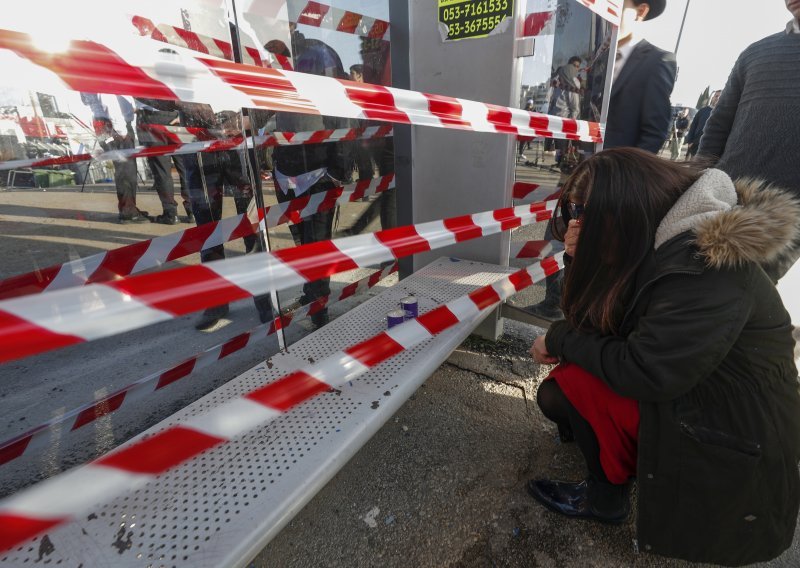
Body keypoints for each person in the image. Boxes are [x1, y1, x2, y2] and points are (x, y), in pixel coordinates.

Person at [527, 148, 800, 565]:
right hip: (702, 397)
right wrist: (577, 260)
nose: (576, 222)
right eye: (574, 211)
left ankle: (605, 499)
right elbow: (601, 321)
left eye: (586, 213)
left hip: (735, 440)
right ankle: (610, 452)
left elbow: (644, 371)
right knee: (566, 387)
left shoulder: (703, 265)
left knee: (573, 385)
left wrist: (561, 339)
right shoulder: (659, 235)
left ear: (624, 209)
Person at [697, 0, 800, 280]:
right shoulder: (756, 53)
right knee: (689, 282)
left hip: (787, 216)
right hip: (723, 194)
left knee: (744, 295)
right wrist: (697, 179)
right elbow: (719, 123)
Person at [272, 32, 355, 328]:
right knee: (302, 243)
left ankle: (319, 310)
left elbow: (341, 110)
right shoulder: (274, 55)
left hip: (318, 169)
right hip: (286, 170)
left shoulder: (321, 54)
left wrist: (339, 168)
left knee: (316, 244)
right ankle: (312, 292)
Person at [604, 0, 676, 152]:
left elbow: (654, 134)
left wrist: (626, 174)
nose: (604, 14)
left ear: (640, 11)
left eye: (613, 7)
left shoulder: (658, 61)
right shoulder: (592, 56)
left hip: (615, 170)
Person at [79, 93, 148, 223]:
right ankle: (128, 211)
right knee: (126, 170)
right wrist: (122, 131)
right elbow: (109, 102)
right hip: (114, 126)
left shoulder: (87, 78)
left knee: (123, 169)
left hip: (103, 125)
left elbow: (86, 101)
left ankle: (128, 207)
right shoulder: (102, 76)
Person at [684, 90, 720, 159]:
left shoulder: (722, 113)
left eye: (720, 97)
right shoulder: (703, 110)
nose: (717, 98)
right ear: (712, 98)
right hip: (696, 145)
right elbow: (693, 126)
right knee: (692, 167)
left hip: (711, 149)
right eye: (716, 96)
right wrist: (690, 141)